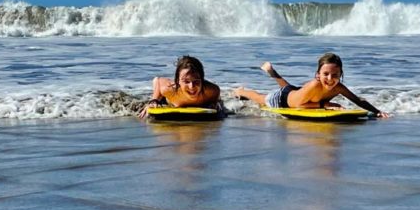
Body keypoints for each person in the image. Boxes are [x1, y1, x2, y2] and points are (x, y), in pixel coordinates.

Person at [233, 52, 389, 117]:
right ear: (318, 75)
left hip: (296, 93)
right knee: (259, 98)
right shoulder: (314, 85)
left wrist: (377, 111)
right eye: (325, 74)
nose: (330, 79)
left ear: (341, 75)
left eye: (335, 75)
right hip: (282, 100)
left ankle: (272, 72)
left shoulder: (339, 86)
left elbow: (358, 100)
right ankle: (242, 91)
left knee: (290, 88)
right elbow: (298, 107)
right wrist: (325, 105)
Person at [141, 55, 222, 118]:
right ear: (178, 81)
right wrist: (154, 100)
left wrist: (214, 103)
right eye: (186, 82)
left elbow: (217, 94)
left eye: (196, 81)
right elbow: (159, 81)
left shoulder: (211, 91)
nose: (191, 86)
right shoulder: (170, 90)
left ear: (202, 80)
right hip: (170, 100)